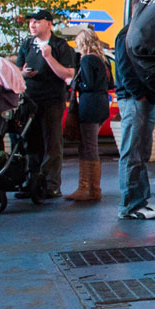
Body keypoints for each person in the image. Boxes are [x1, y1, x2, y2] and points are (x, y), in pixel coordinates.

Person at [15, 9, 76, 197]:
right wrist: (23, 74)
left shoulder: (60, 45)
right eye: (30, 22)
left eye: (37, 21)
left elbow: (68, 74)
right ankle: (31, 182)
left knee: (52, 142)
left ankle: (51, 185)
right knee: (30, 141)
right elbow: (18, 70)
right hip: (30, 100)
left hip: (52, 101)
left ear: (49, 24)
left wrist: (49, 57)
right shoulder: (26, 44)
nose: (32, 25)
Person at [113, 29, 155, 219]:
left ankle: (139, 201)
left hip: (143, 98)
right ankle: (129, 205)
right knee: (132, 152)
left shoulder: (141, 31)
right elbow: (124, 67)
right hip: (135, 99)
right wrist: (139, 95)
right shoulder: (127, 34)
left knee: (140, 152)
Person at [65, 29, 109, 202]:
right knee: (89, 145)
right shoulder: (102, 60)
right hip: (101, 104)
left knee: (88, 147)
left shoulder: (87, 59)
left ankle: (89, 188)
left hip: (90, 105)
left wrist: (73, 82)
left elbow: (88, 84)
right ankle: (90, 187)